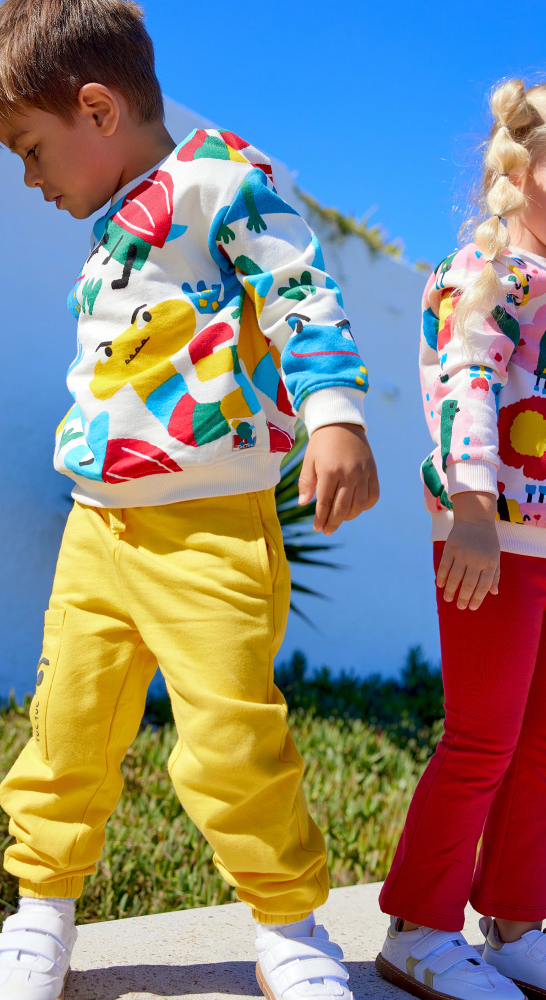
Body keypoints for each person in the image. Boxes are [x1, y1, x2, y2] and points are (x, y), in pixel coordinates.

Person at [0, 3, 379, 998]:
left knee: (231, 737)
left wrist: (334, 418)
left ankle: (287, 922)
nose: (30, 179)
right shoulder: (112, 226)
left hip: (210, 532)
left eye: (31, 149)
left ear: (96, 109)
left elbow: (302, 294)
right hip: (94, 528)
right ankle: (40, 911)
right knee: (65, 726)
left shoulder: (224, 181)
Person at [376, 78, 546, 1000]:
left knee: (543, 742)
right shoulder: (484, 276)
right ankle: (419, 928)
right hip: (488, 541)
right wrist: (473, 509)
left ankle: (517, 921)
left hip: (545, 547)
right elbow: (463, 385)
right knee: (483, 736)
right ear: (522, 171)